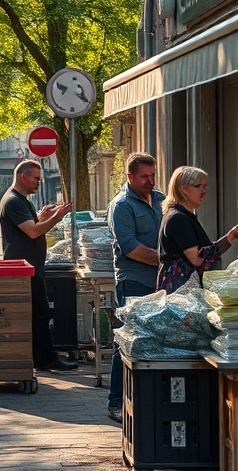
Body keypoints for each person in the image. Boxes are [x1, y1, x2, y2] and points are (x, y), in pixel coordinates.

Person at [0, 159, 77, 372]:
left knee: (38, 314)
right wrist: (57, 218)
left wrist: (44, 216)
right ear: (23, 177)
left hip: (29, 268)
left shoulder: (20, 199)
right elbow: (33, 231)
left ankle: (40, 357)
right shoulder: (13, 201)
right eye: (36, 179)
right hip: (24, 270)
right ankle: (47, 358)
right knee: (40, 314)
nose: (39, 183)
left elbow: (32, 224)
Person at [106, 152, 163, 422]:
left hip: (161, 282)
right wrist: (167, 259)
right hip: (135, 282)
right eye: (144, 177)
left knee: (157, 340)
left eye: (152, 175)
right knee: (127, 343)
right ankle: (116, 403)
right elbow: (131, 249)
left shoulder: (162, 199)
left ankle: (150, 400)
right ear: (130, 176)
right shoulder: (122, 206)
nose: (150, 181)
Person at [156, 166, 238, 292]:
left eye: (205, 186)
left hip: (182, 289)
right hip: (182, 291)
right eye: (198, 186)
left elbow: (203, 252)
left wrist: (231, 236)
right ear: (182, 189)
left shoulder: (184, 215)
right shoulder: (178, 218)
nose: (205, 191)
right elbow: (196, 260)